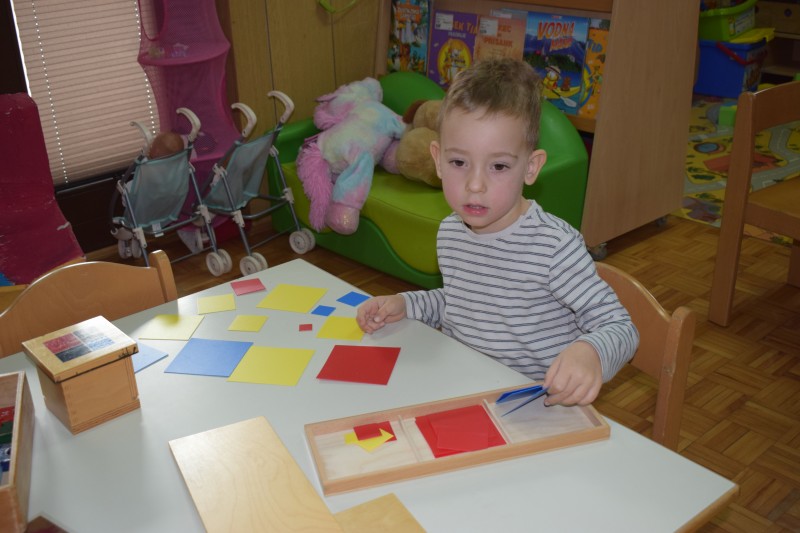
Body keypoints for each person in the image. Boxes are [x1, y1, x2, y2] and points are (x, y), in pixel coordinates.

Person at [356, 58, 638, 407]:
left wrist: (590, 352)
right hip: (465, 389)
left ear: (531, 167)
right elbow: (462, 303)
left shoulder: (554, 247)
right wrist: (407, 303)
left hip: (535, 404)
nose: (475, 185)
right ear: (438, 160)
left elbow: (622, 328)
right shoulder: (451, 232)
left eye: (499, 166)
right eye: (459, 162)